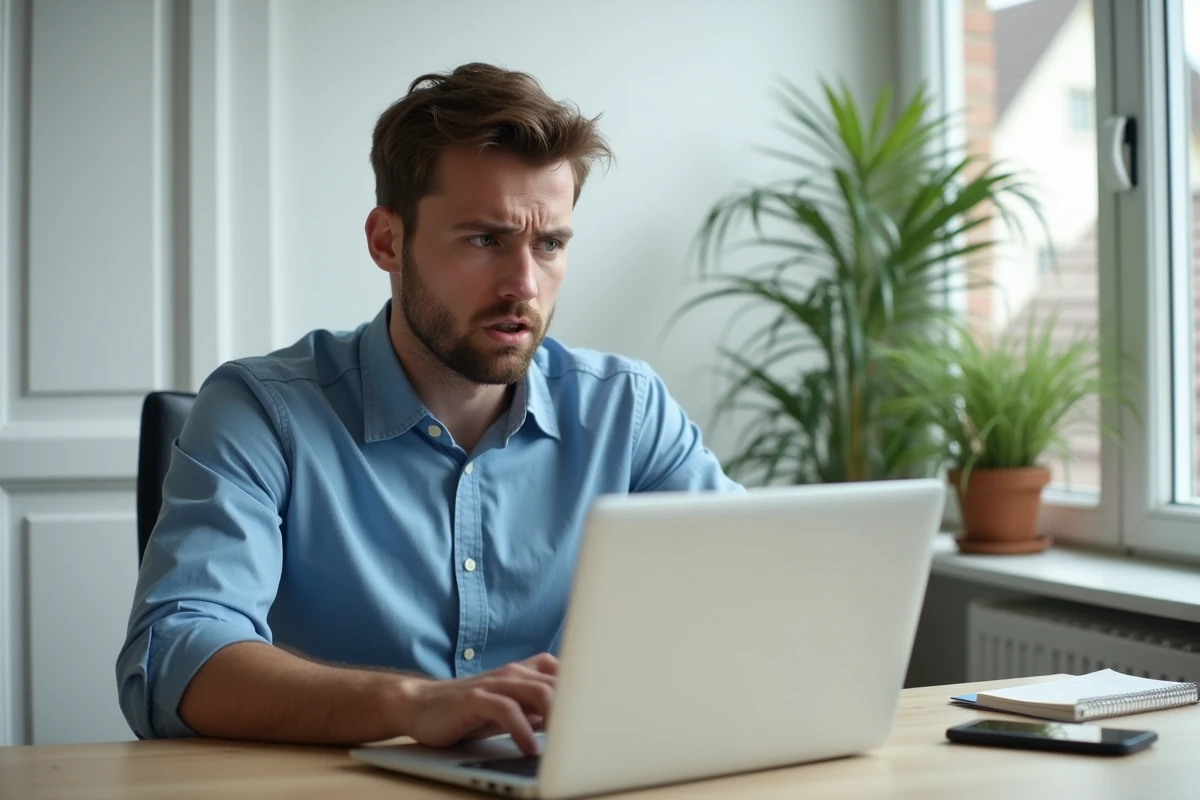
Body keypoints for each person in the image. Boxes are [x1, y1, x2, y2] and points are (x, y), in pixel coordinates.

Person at [116, 62, 741, 755]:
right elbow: (173, 658)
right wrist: (414, 705)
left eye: (550, 244)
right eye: (485, 240)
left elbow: (752, 589)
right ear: (388, 240)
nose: (523, 286)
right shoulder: (261, 412)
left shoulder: (628, 410)